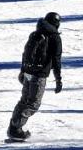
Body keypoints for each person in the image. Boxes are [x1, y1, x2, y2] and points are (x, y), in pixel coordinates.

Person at [7, 11, 63, 141]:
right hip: (39, 75)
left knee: (24, 101)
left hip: (28, 73)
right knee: (33, 104)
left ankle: (14, 128)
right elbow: (56, 60)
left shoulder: (36, 33)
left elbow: (25, 54)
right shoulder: (54, 37)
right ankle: (16, 128)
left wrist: (23, 71)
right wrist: (58, 79)